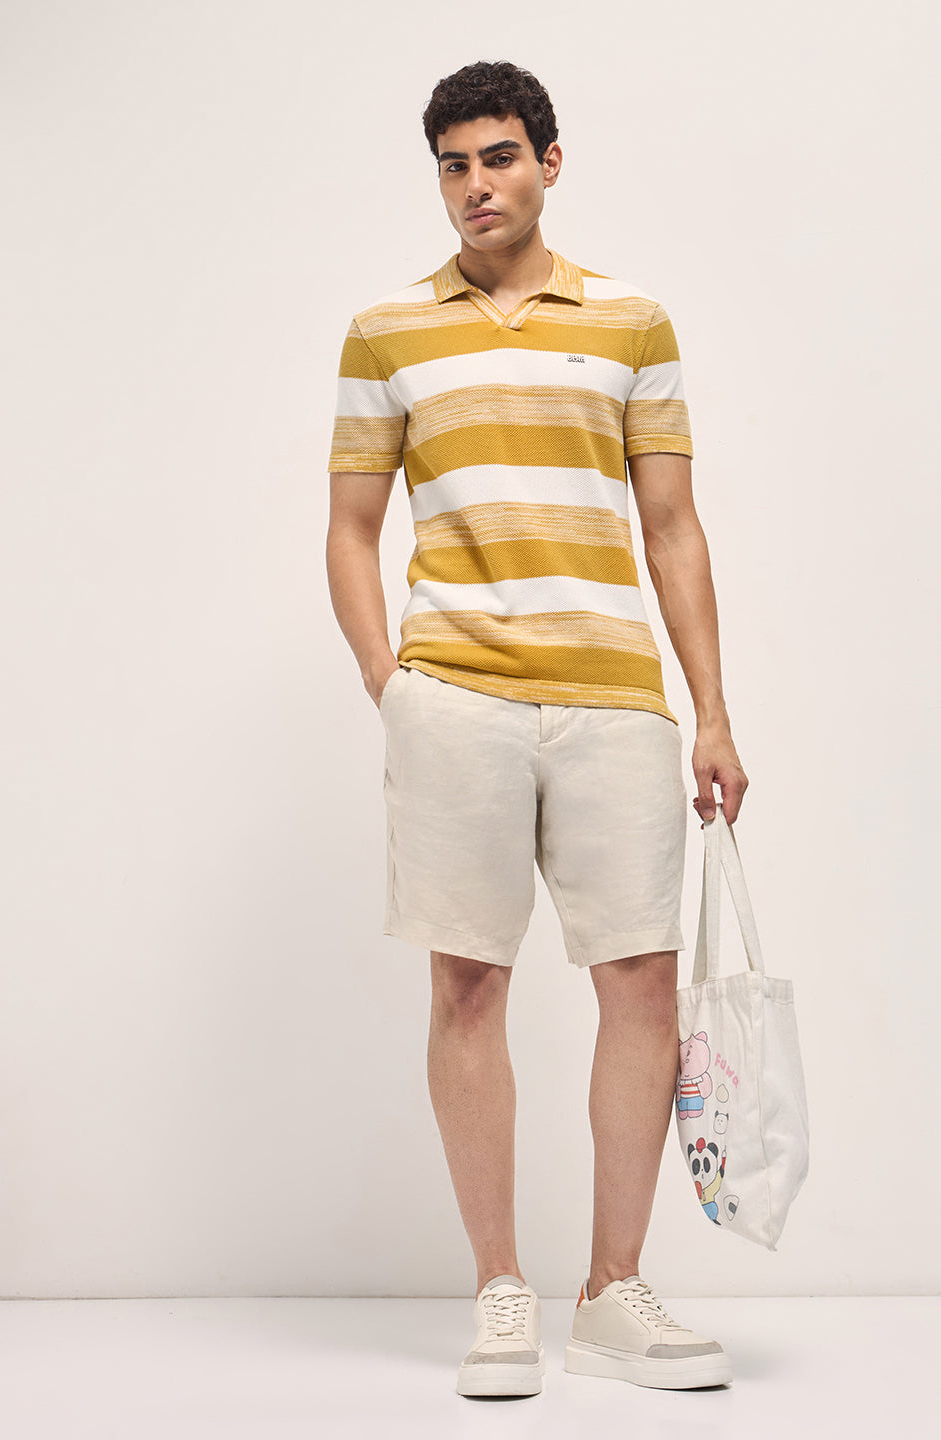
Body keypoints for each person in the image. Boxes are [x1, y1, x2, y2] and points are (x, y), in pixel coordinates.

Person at [325, 59, 748, 1398]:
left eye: (498, 157)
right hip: (454, 696)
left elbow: (673, 527)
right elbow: (349, 528)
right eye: (453, 165)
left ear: (549, 162)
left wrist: (713, 713)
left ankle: (612, 1290)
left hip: (615, 697)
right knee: (469, 983)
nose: (475, 186)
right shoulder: (387, 332)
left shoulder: (632, 322)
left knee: (640, 982)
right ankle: (499, 1290)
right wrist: (391, 681)